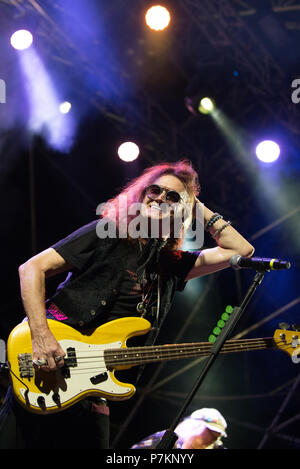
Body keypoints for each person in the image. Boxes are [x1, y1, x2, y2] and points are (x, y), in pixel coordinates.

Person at [0, 160, 254, 449]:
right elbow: (31, 269)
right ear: (140, 194)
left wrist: (197, 205)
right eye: (155, 190)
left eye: (172, 197)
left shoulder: (172, 263)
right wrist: (41, 336)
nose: (160, 198)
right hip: (48, 362)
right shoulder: (107, 232)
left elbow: (241, 250)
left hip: (94, 388)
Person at [131, 408, 228, 449]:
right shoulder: (166, 441)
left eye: (216, 438)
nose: (211, 440)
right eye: (210, 433)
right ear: (194, 425)